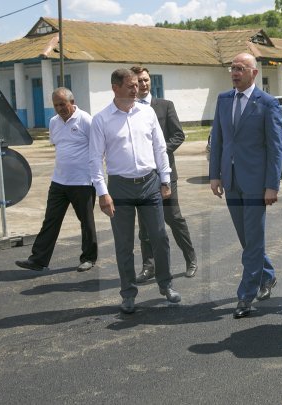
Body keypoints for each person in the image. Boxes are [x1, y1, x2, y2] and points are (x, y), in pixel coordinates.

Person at [89, 68, 180, 314]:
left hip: (150, 184)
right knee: (124, 244)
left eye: (137, 85)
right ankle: (128, 294)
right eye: (130, 85)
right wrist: (102, 192)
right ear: (115, 87)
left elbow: (160, 148)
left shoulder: (147, 113)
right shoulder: (101, 119)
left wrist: (165, 179)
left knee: (159, 237)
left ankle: (166, 284)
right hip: (119, 187)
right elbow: (95, 160)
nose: (136, 88)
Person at [209, 52, 282, 319]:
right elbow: (217, 139)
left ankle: (246, 295)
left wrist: (272, 185)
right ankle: (268, 275)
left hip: (256, 183)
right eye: (232, 68)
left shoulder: (268, 103)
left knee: (253, 240)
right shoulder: (223, 99)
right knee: (246, 239)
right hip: (231, 181)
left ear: (254, 72)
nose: (234, 72)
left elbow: (276, 148)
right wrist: (214, 175)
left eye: (240, 68)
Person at [15, 87, 98, 273]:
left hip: (83, 182)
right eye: (56, 105)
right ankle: (38, 260)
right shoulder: (54, 122)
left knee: (86, 221)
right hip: (59, 181)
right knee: (50, 220)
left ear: (72, 101)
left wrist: (96, 177)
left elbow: (98, 149)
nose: (60, 108)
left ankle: (89, 258)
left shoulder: (86, 120)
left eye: (63, 104)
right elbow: (58, 147)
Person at [130, 66, 198, 283]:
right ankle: (148, 266)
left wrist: (158, 153)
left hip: (166, 173)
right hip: (142, 176)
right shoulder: (129, 109)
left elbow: (178, 135)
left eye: (146, 80)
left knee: (173, 217)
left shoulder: (165, 105)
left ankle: (190, 259)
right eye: (139, 81)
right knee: (145, 224)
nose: (143, 84)